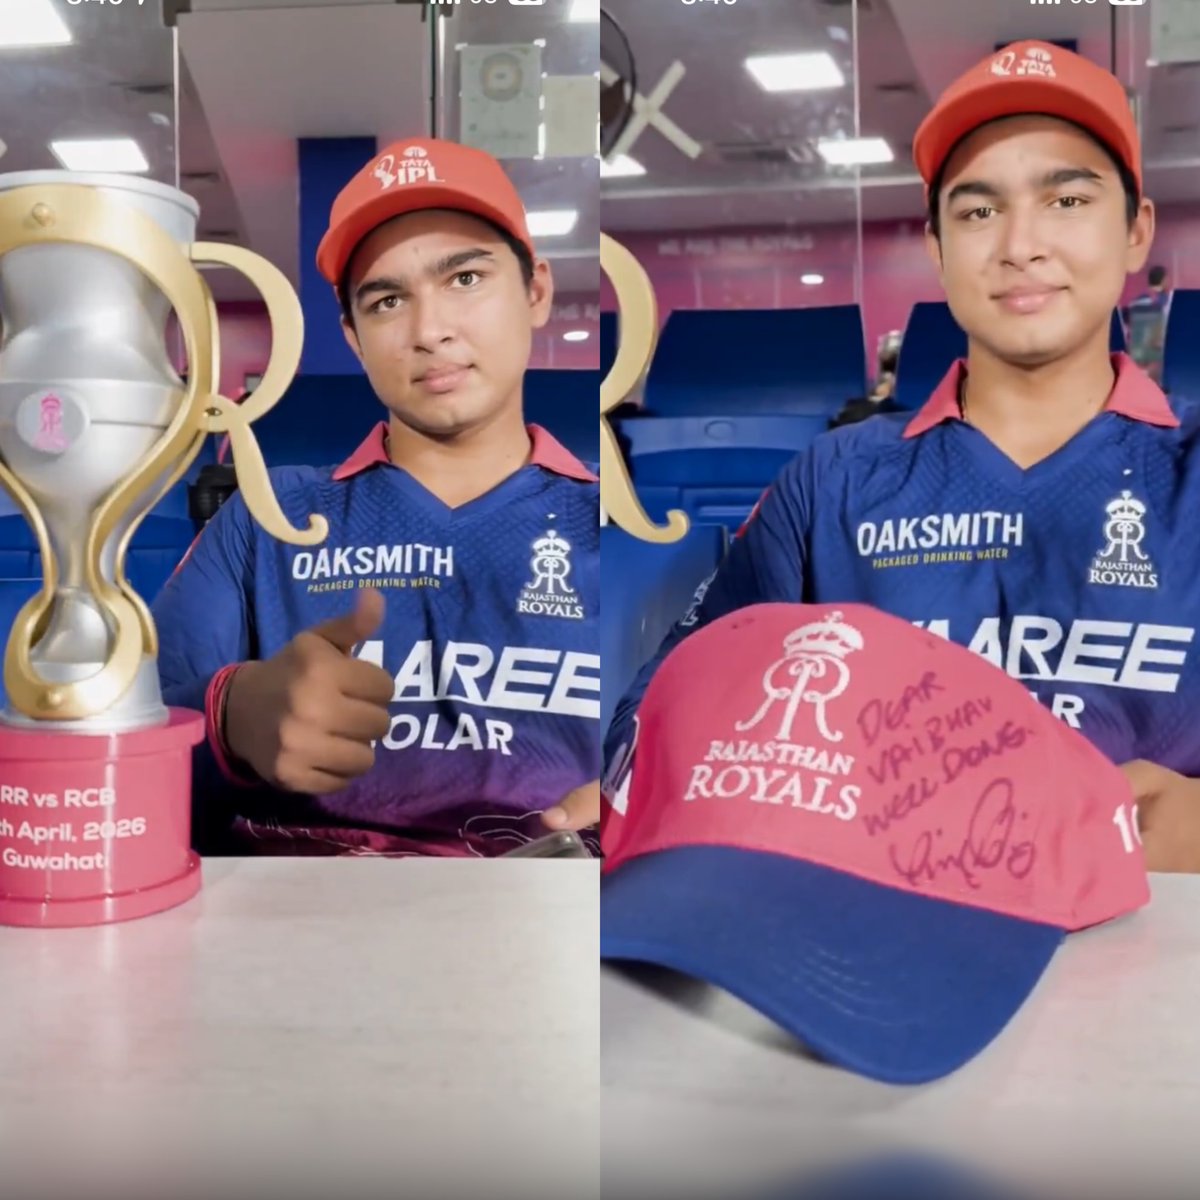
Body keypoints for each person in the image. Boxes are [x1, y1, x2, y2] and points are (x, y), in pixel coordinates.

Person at [605, 42, 1200, 873]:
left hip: (1153, 939)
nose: (1020, 245)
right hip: (874, 928)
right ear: (938, 246)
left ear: (1137, 231)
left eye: (1067, 198)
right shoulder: (835, 481)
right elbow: (662, 708)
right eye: (978, 211)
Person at [153, 137, 601, 856]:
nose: (430, 332)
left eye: (465, 279)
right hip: (295, 926)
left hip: (552, 922)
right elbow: (133, 769)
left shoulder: (617, 532)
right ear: (355, 339)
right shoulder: (266, 522)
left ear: (536, 291)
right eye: (388, 300)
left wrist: (641, 803)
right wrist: (232, 720)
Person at [1124, 263, 1171, 385]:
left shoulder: (1135, 302)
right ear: (1164, 280)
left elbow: (1127, 324)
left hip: (1137, 350)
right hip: (1155, 351)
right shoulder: (1166, 301)